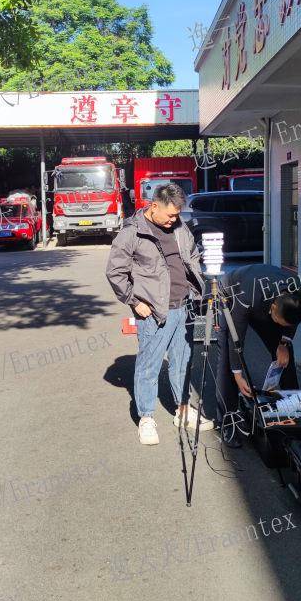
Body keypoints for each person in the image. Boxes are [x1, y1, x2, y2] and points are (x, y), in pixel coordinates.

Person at [106, 183, 211, 446]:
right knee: (148, 366)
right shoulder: (132, 232)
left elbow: (192, 255)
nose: (174, 220)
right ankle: (146, 418)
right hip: (153, 312)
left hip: (184, 306)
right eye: (171, 215)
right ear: (154, 206)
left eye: (177, 215)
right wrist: (134, 301)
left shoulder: (179, 227)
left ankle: (183, 409)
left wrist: (196, 286)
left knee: (182, 361)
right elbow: (115, 272)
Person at [212, 263, 301, 444]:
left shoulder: (299, 289)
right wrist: (238, 375)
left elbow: (291, 322)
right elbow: (236, 339)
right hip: (231, 294)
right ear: (273, 307)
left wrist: (283, 343)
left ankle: (295, 410)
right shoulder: (247, 294)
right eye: (278, 322)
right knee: (227, 361)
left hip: (264, 295)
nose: (279, 327)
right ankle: (229, 422)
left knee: (285, 355)